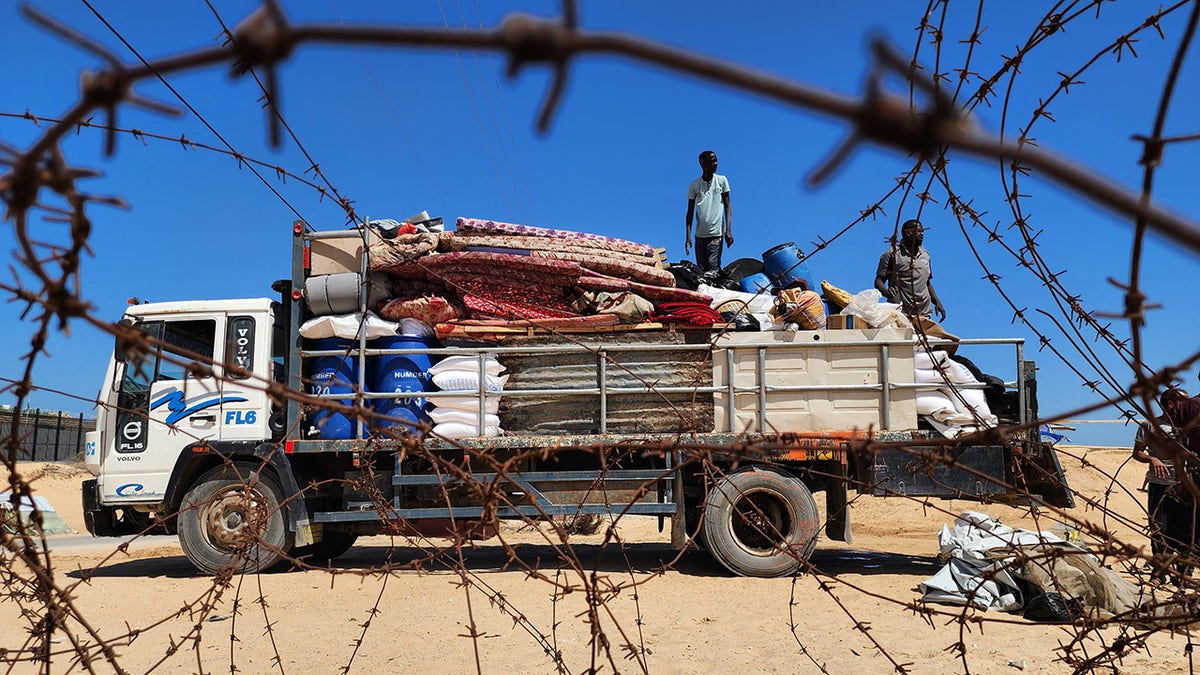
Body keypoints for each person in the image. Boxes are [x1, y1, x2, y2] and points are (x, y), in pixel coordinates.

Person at [875, 219, 946, 322]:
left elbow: (927, 282)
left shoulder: (925, 255)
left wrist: (937, 302)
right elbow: (878, 281)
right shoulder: (892, 254)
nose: (922, 234)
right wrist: (887, 292)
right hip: (901, 312)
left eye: (922, 231)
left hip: (924, 312)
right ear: (907, 233)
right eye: (918, 231)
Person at [684, 150, 733, 273]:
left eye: (716, 161)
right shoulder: (694, 185)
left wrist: (728, 230)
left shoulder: (722, 181)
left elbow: (728, 206)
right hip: (700, 236)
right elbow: (689, 212)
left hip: (716, 234)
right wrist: (688, 236)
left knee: (713, 268)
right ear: (703, 165)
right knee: (701, 271)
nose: (716, 164)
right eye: (712, 162)